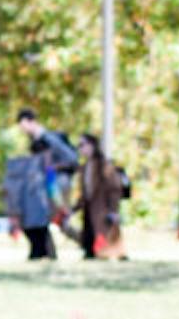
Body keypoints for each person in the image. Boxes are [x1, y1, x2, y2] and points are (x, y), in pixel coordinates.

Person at [16, 107, 79, 226]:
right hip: (48, 182)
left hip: (58, 180)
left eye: (23, 125)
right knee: (58, 222)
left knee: (59, 220)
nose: (23, 129)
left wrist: (55, 167)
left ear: (31, 121)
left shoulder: (49, 138)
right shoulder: (35, 140)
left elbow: (71, 159)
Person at [74, 132, 128, 261]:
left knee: (106, 240)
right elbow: (85, 193)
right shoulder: (85, 167)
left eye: (82, 145)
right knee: (90, 242)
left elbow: (114, 189)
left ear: (92, 145)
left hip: (103, 211)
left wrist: (113, 210)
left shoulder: (104, 165)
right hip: (89, 212)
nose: (80, 149)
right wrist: (74, 208)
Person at [4, 154, 55, 260]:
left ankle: (43, 254)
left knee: (39, 235)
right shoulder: (33, 171)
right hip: (32, 213)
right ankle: (42, 254)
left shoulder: (41, 171)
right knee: (37, 235)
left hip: (34, 214)